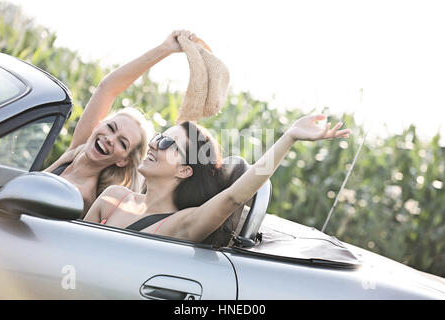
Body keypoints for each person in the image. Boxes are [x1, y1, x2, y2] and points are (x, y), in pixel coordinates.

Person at [84, 114, 351, 243]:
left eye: (167, 143)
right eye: (157, 137)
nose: (154, 144)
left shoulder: (181, 224)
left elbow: (235, 196)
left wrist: (290, 136)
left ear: (185, 170)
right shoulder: (112, 199)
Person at [44, 30, 198, 213]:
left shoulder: (83, 197)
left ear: (123, 161)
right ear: (97, 125)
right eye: (110, 127)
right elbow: (107, 88)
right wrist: (166, 48)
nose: (110, 138)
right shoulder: (74, 153)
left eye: (122, 143)